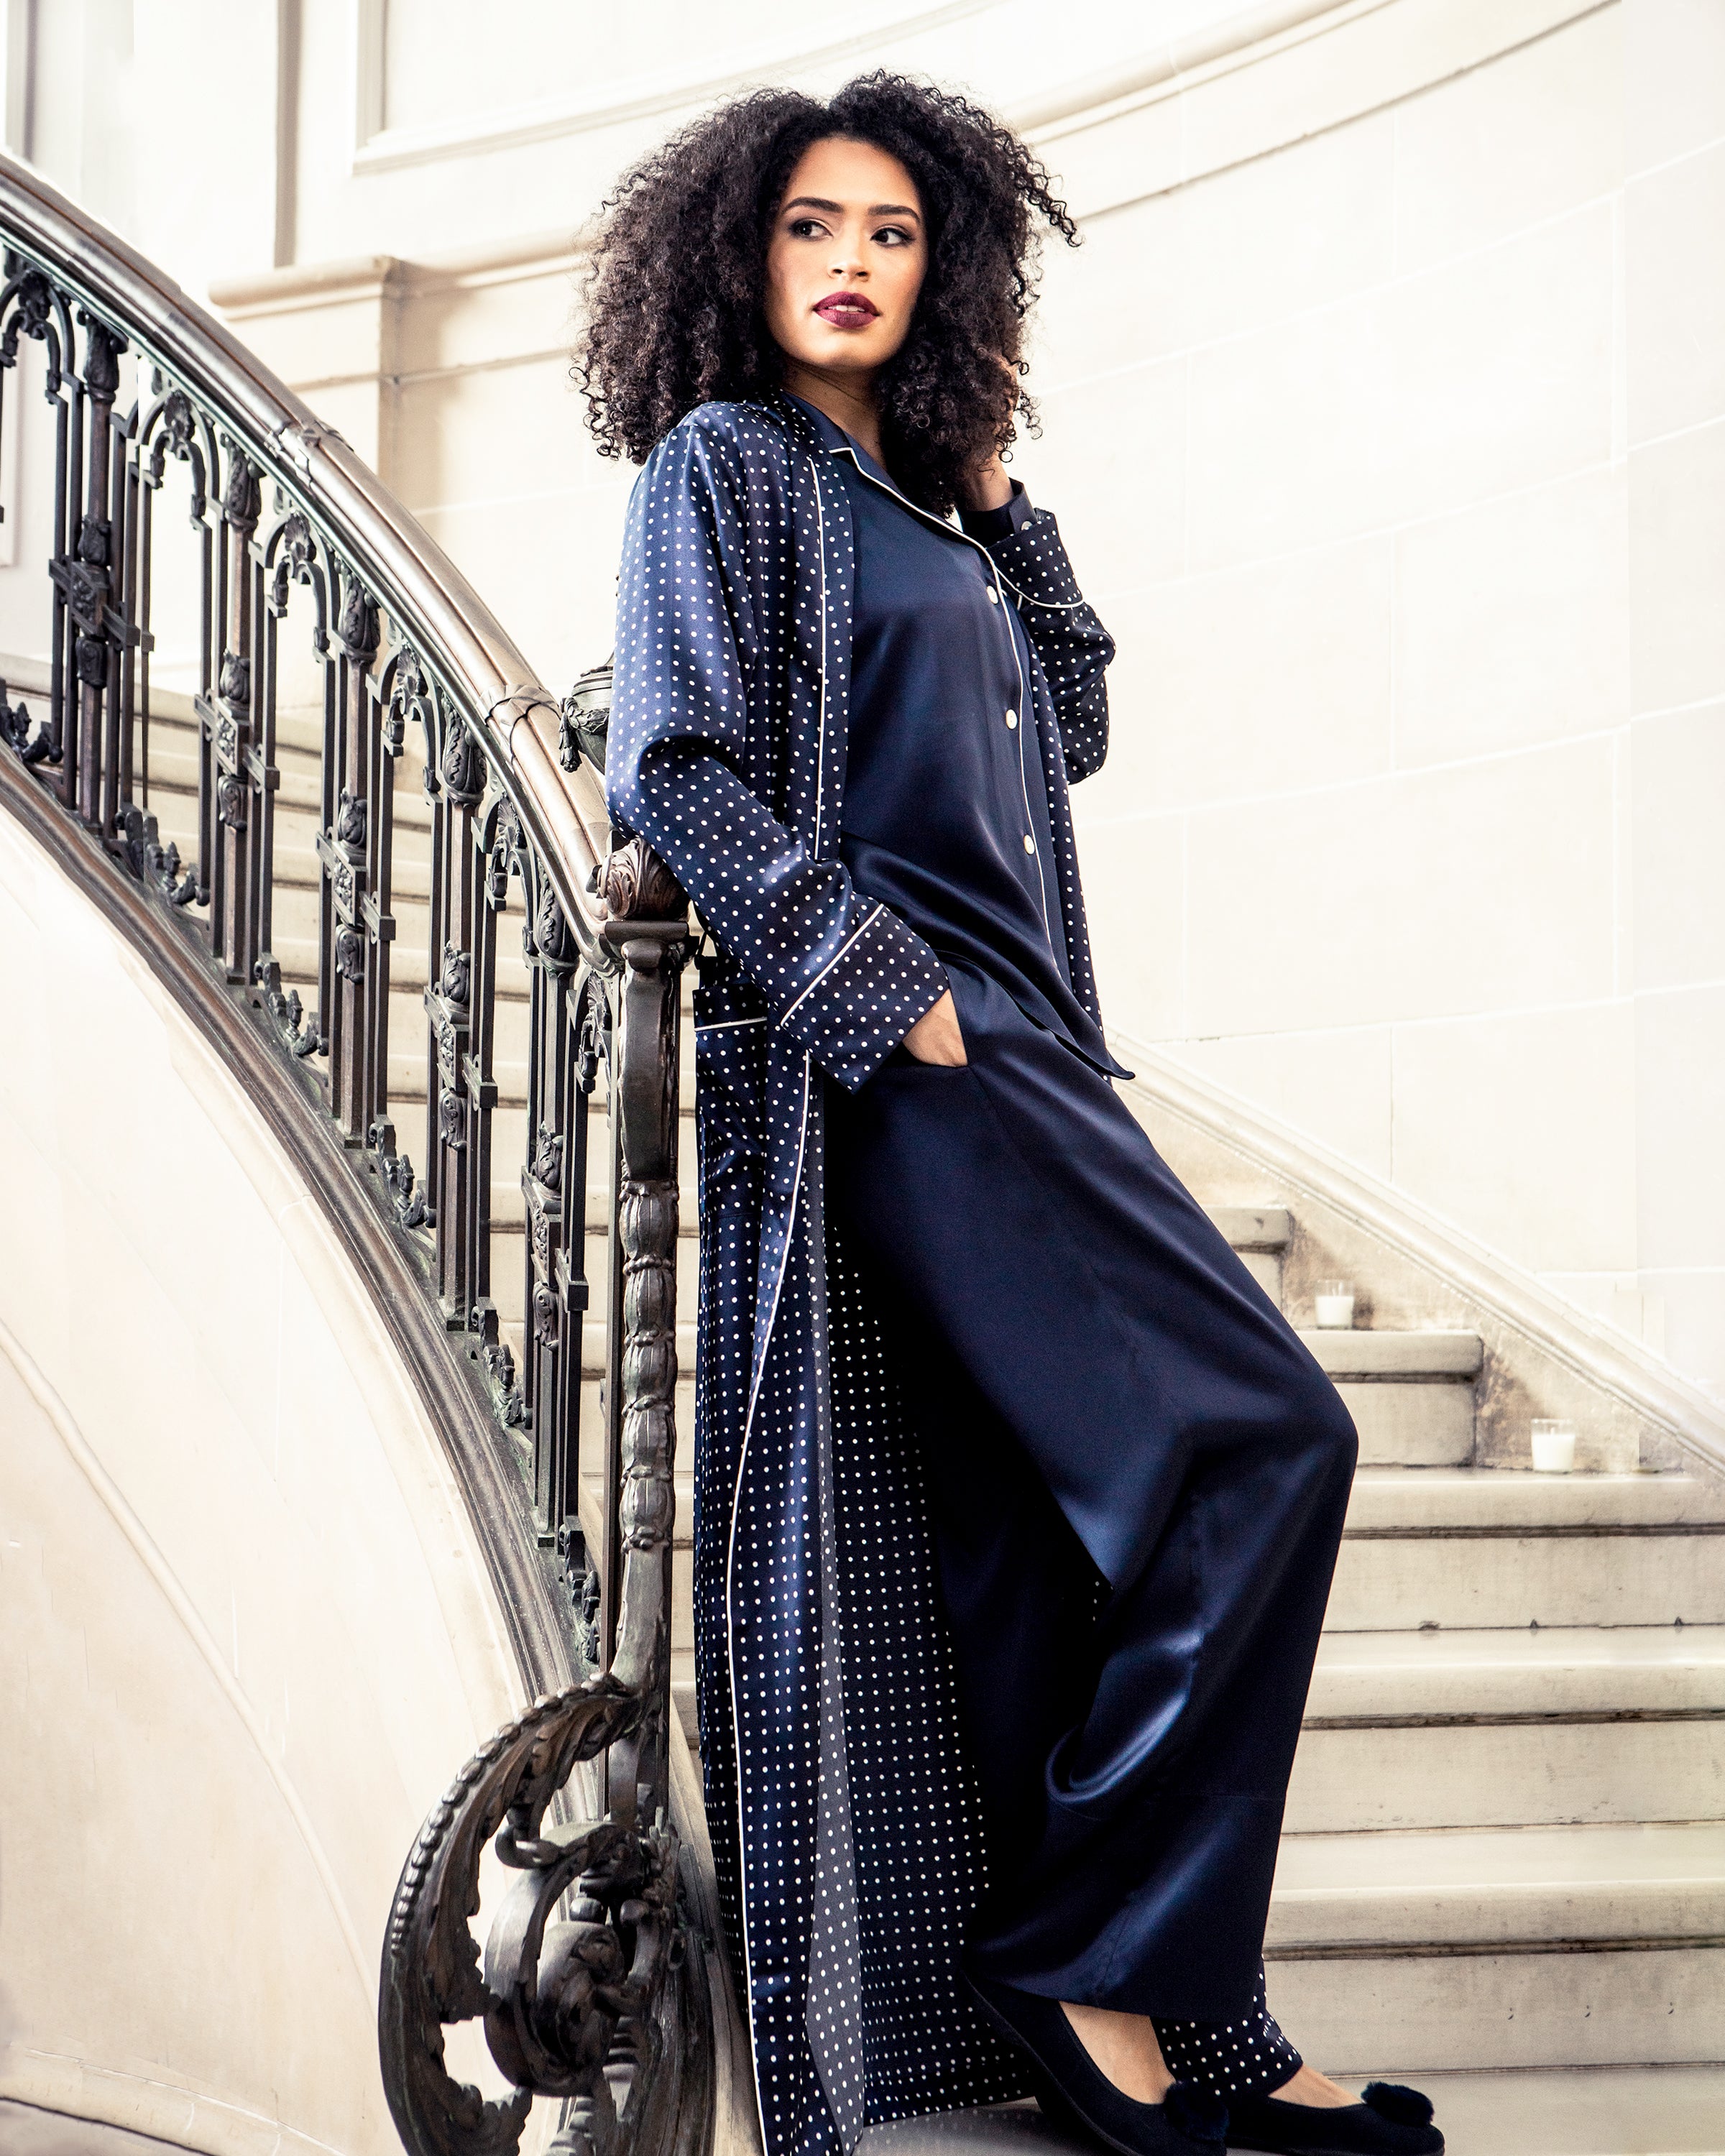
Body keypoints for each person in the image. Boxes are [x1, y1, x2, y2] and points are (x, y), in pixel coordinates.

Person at [584, 73, 1445, 2156]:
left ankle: (1197, 2016)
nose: (853, 263)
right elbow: (675, 771)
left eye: (891, 232)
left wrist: (999, 500)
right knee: (1266, 1442)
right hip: (914, 1060)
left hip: (1035, 1047)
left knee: (1088, 1536)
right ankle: (1090, 1955)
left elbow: (1068, 718)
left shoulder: (930, 511)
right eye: (814, 228)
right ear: (740, 254)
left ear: (941, 263)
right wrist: (888, 996)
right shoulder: (726, 468)